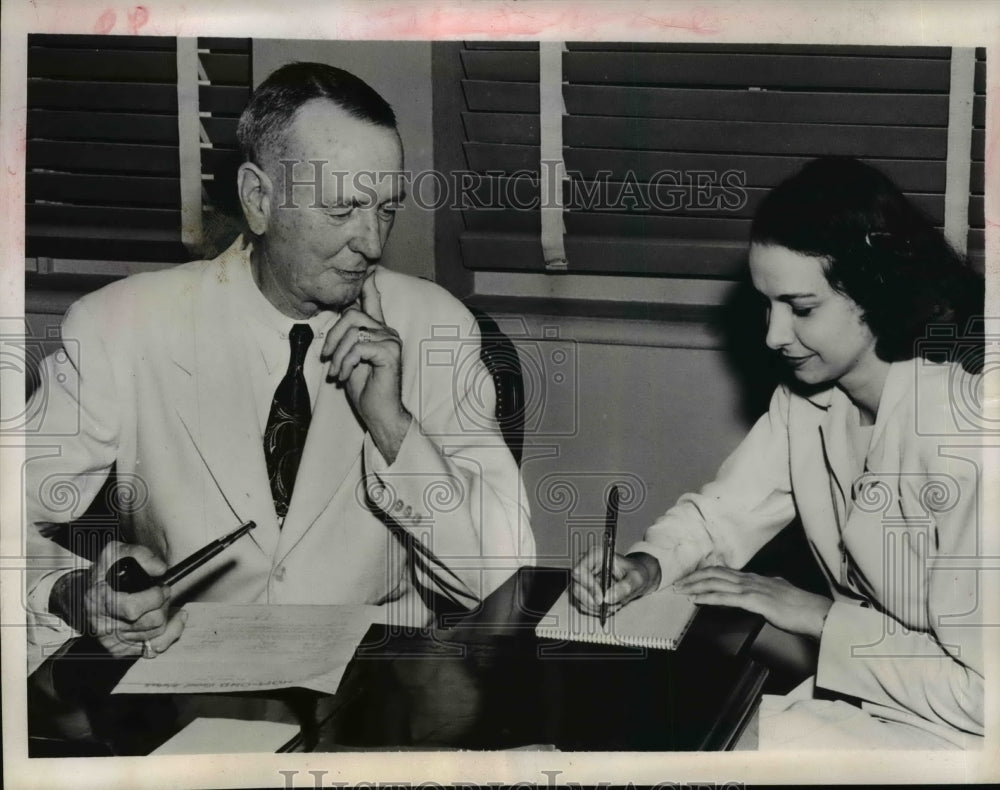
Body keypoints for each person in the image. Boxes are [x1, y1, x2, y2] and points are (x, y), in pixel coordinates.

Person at [25, 62, 535, 675]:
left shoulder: (436, 327)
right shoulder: (123, 327)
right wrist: (73, 593)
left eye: (386, 210)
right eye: (343, 209)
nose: (372, 244)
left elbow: (505, 578)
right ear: (258, 199)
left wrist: (394, 428)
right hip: (185, 689)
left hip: (375, 700)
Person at [572, 157, 985, 749]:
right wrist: (647, 565)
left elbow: (985, 698)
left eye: (802, 308)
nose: (773, 335)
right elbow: (726, 511)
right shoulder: (810, 397)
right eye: (768, 305)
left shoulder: (965, 436)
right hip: (878, 699)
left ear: (878, 289)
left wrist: (818, 617)